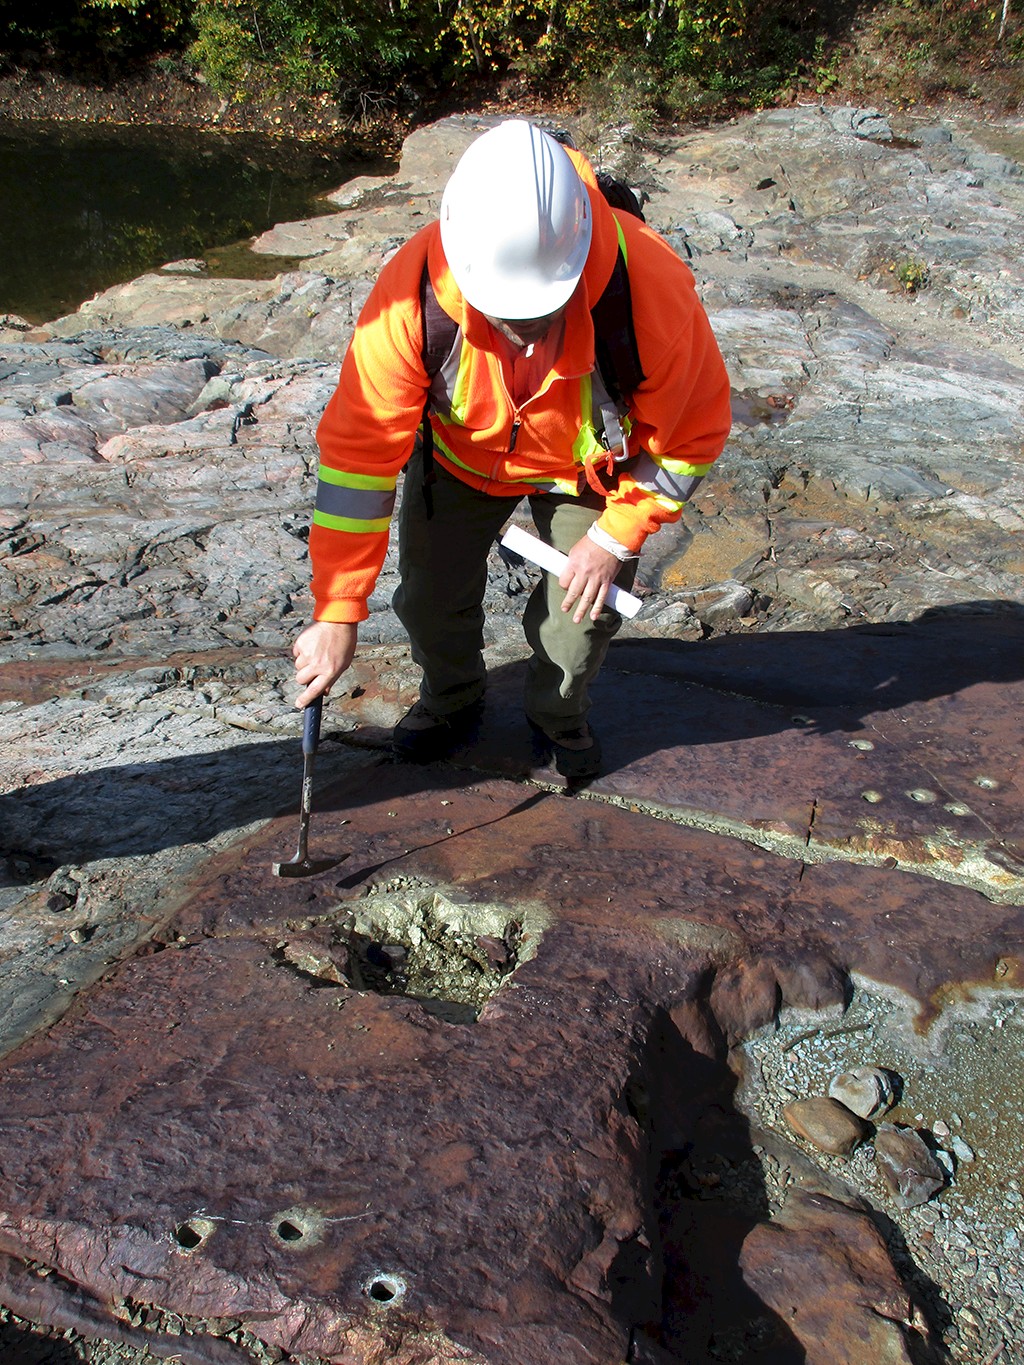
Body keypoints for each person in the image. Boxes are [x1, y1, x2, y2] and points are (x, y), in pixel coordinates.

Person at [292, 119, 731, 779]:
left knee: (578, 624)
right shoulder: (411, 294)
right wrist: (337, 610)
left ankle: (556, 715)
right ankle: (450, 701)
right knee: (429, 602)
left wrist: (614, 537)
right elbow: (358, 460)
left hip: (587, 473)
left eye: (540, 316)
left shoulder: (649, 284)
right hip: (460, 459)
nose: (524, 335)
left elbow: (691, 437)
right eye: (505, 316)